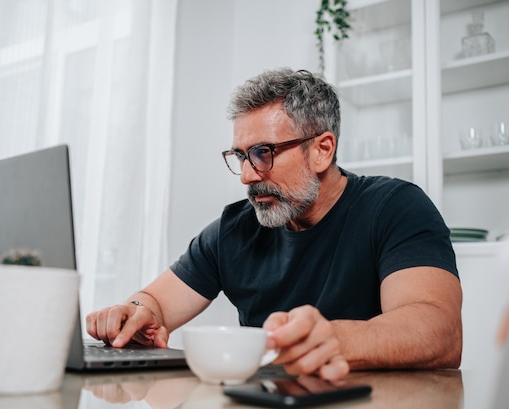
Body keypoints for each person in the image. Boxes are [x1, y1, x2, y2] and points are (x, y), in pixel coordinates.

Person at [86, 67, 463, 381]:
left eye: (262, 153)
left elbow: (438, 331)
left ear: (322, 150)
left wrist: (336, 339)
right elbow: (156, 303)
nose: (247, 176)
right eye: (240, 156)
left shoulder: (395, 207)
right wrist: (137, 311)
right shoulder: (234, 229)